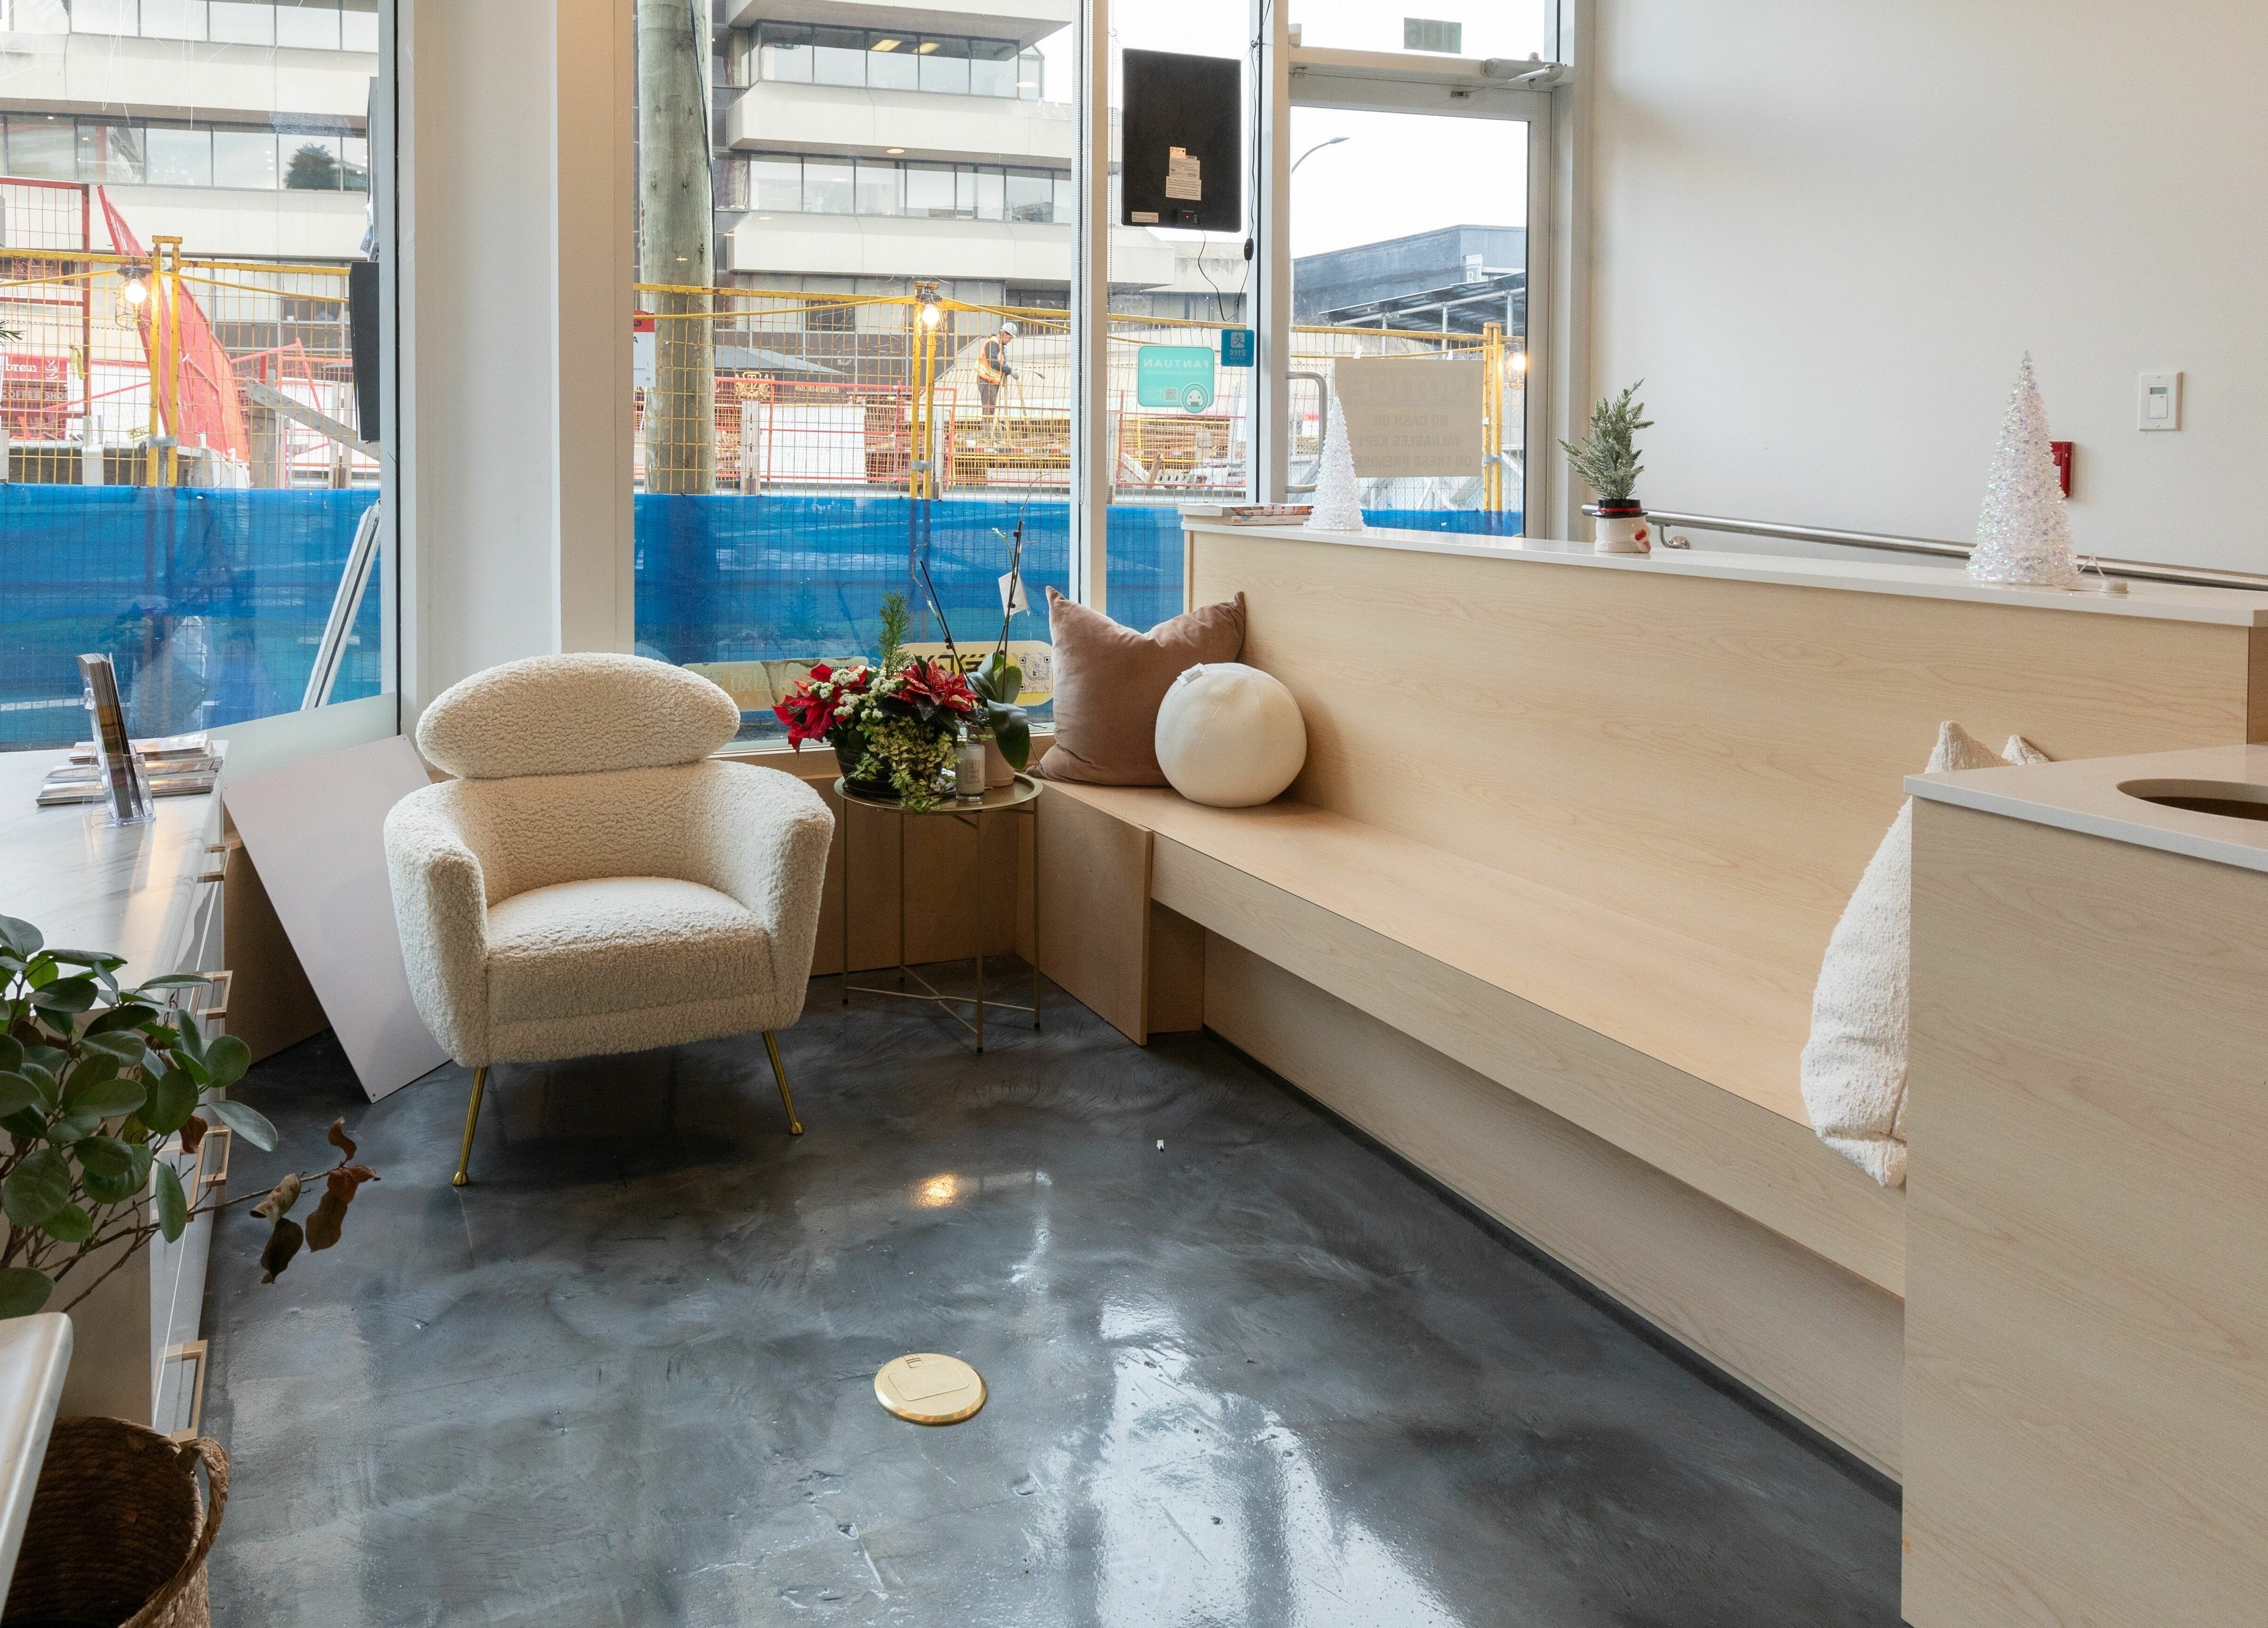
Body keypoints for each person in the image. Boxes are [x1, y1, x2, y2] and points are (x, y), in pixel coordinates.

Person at [975, 321, 1017, 424]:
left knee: (993, 408)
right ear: (1004, 333)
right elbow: (993, 363)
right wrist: (1009, 370)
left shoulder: (999, 345)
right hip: (987, 380)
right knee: (989, 409)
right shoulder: (993, 343)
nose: (1010, 341)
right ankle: (989, 432)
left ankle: (993, 429)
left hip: (991, 382)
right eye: (1009, 338)